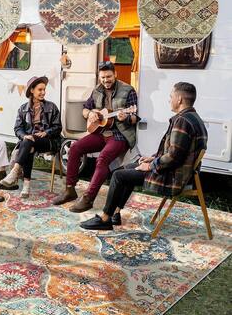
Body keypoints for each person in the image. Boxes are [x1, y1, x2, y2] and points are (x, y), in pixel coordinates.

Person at [80, 82, 208, 230]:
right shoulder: (193, 118)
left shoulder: (183, 121)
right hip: (179, 172)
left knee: (118, 176)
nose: (169, 100)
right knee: (127, 168)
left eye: (171, 96)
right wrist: (153, 158)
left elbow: (174, 157)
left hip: (173, 176)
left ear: (179, 99)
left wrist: (150, 166)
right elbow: (177, 152)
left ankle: (105, 218)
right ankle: (115, 213)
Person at [53, 61, 139, 212]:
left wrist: (125, 117)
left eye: (109, 76)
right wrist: (91, 113)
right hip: (101, 132)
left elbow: (135, 118)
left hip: (120, 135)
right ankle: (70, 190)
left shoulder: (128, 90)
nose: (106, 80)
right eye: (103, 77)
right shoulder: (97, 90)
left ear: (115, 74)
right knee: (75, 148)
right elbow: (85, 109)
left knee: (102, 159)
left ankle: (88, 199)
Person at [0, 76, 62, 198]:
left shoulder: (51, 107)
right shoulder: (23, 109)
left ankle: (15, 172)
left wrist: (46, 132)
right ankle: (26, 186)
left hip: (49, 141)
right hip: (30, 143)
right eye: (40, 89)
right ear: (32, 90)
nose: (43, 92)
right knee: (29, 144)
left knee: (29, 141)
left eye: (44, 89)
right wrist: (24, 136)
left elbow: (58, 127)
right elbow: (18, 129)